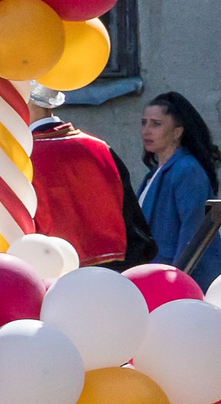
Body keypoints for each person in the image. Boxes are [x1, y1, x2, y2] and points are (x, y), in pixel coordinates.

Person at [30, 95, 155, 268]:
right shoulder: (100, 148)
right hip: (113, 272)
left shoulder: (23, 155)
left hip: (50, 273)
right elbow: (132, 222)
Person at [139, 90, 221, 287]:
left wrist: (176, 281)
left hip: (182, 281)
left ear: (177, 132)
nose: (146, 131)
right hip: (157, 277)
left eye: (156, 124)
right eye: (144, 123)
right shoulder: (152, 174)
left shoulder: (187, 169)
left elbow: (192, 235)